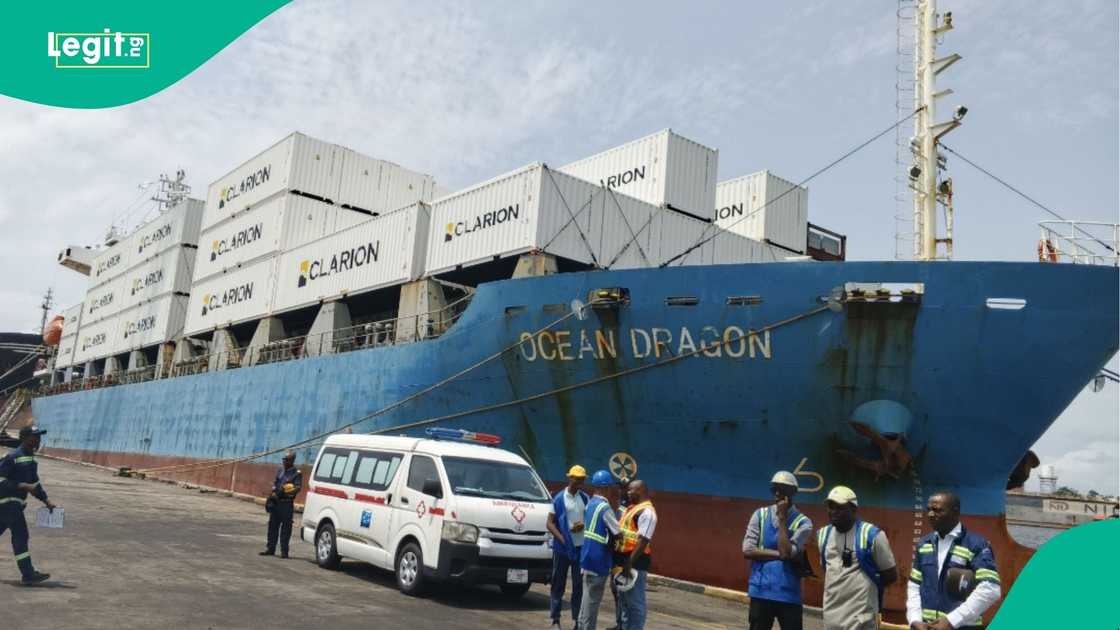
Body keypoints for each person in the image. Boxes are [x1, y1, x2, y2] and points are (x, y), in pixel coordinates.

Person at [907, 491, 1002, 630]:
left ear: (955, 512)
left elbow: (991, 588)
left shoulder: (976, 545)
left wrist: (951, 621)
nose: (931, 514)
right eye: (929, 510)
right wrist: (914, 619)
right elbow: (914, 585)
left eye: (938, 510)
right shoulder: (924, 545)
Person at [817, 486, 898, 630]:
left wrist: (866, 591)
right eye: (830, 506)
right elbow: (827, 569)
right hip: (831, 618)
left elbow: (890, 575)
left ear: (854, 510)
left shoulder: (873, 535)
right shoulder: (822, 535)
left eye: (840, 507)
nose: (833, 512)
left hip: (861, 619)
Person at [742, 471, 813, 630]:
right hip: (761, 591)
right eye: (774, 489)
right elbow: (747, 550)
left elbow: (786, 551)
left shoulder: (804, 523)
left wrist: (782, 519)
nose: (777, 493)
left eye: (782, 489)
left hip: (788, 595)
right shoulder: (759, 515)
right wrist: (779, 555)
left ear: (793, 492)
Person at [0, 425, 56, 585]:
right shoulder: (13, 457)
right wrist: (22, 486)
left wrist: (46, 501)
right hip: (7, 504)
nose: (38, 439)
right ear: (25, 438)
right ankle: (28, 574)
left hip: (12, 506)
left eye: (39, 436)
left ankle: (28, 574)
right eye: (35, 436)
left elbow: (35, 484)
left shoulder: (30, 459)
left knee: (19, 536)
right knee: (20, 536)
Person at [577, 470, 622, 630]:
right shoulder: (605, 508)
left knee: (585, 602)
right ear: (606, 488)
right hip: (599, 561)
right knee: (592, 605)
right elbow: (618, 532)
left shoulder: (590, 504)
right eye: (610, 487)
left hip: (587, 558)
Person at [548, 465, 589, 628]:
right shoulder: (558, 499)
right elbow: (549, 523)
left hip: (580, 549)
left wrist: (582, 526)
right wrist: (563, 539)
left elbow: (589, 520)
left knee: (578, 586)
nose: (580, 482)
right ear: (570, 478)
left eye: (583, 479)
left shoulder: (585, 498)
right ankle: (555, 619)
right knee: (558, 583)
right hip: (562, 549)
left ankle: (577, 621)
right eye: (578, 479)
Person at [616, 479, 656, 630]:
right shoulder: (633, 508)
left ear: (640, 491)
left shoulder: (647, 512)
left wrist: (630, 563)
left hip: (635, 563)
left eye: (630, 490)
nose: (628, 493)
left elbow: (644, 540)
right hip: (625, 560)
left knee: (636, 603)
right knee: (625, 601)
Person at [260, 450, 302, 558]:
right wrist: (274, 492)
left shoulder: (296, 473)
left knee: (286, 529)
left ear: (292, 460)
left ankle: (284, 552)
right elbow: (275, 482)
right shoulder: (280, 470)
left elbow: (298, 488)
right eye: (284, 459)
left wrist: (287, 491)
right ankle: (270, 549)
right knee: (272, 526)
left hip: (286, 504)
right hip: (276, 502)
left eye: (287, 460)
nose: (284, 461)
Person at [606, 477, 632, 630]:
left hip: (623, 556)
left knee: (622, 591)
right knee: (615, 589)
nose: (622, 491)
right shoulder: (613, 507)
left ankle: (624, 624)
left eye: (624, 488)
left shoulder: (626, 510)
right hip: (615, 556)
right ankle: (620, 623)